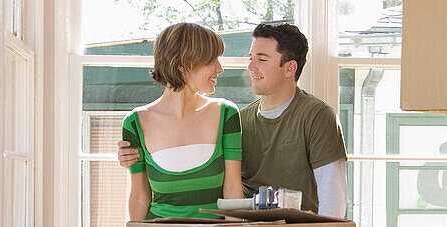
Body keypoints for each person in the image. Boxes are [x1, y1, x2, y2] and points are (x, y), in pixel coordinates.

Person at [116, 22, 348, 216]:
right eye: (251, 57)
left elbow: (332, 197)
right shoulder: (240, 118)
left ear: (289, 68)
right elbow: (142, 193)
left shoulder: (315, 116)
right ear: (183, 65)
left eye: (262, 59)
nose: (250, 66)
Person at [99, 22, 243, 227]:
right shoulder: (135, 123)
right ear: (183, 65)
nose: (219, 69)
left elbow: (232, 189)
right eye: (211, 61)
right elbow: (141, 196)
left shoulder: (227, 114)